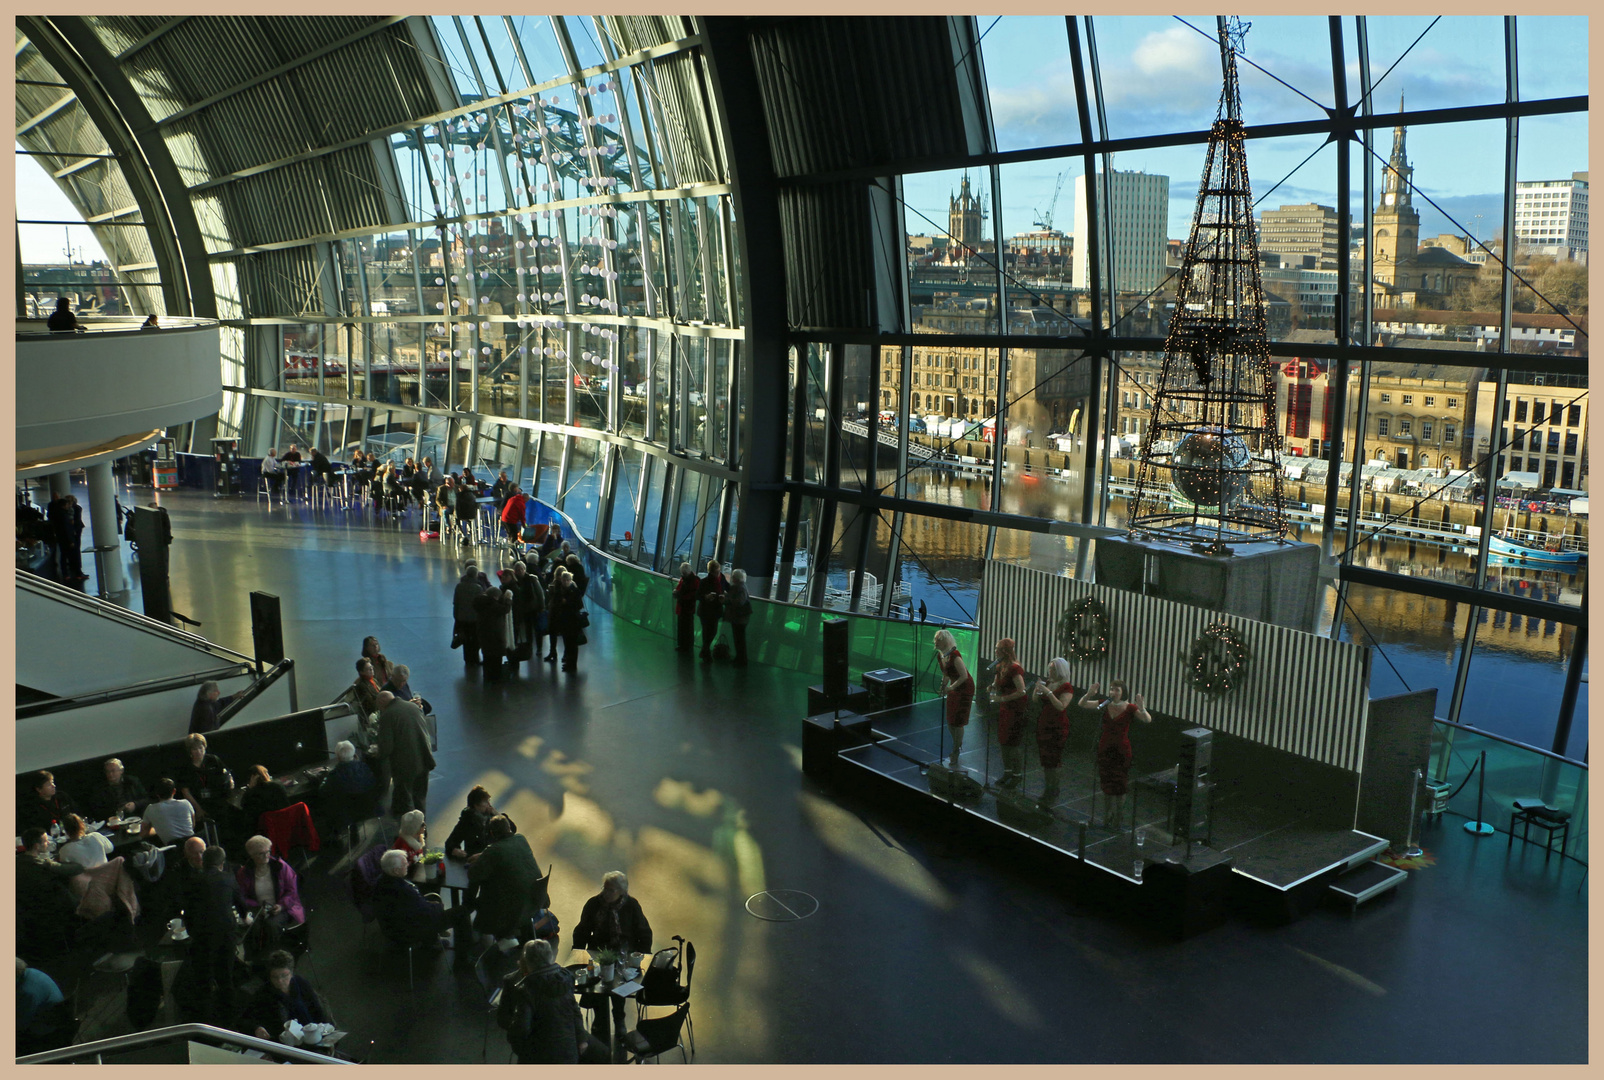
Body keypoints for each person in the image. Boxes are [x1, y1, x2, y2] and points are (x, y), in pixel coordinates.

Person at [498, 938, 605, 1064]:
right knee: (604, 1055)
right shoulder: (564, 979)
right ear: (550, 958)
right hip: (566, 1047)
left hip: (542, 1050)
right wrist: (581, 1039)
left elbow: (519, 1028)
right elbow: (575, 1011)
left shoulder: (525, 988)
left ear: (526, 961)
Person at [178, 845, 244, 1016]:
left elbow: (186, 912)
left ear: (203, 863)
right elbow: (241, 906)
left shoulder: (192, 882)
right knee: (226, 976)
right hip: (225, 934)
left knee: (204, 977)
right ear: (222, 864)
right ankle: (230, 1017)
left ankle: (206, 1017)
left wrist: (193, 933)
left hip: (201, 937)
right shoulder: (229, 879)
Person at [1077, 680, 1153, 828]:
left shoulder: (1130, 708)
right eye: (1111, 689)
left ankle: (1119, 815)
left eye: (1116, 690)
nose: (1113, 693)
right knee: (1106, 781)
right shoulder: (1105, 703)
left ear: (1123, 692)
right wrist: (1089, 694)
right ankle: (1107, 813)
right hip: (1105, 747)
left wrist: (1142, 708)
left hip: (1121, 750)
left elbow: (1147, 719)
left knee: (1120, 783)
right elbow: (1082, 704)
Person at [372, 848, 470, 948]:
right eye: (404, 864)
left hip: (392, 926)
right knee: (461, 911)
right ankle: (464, 952)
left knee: (432, 896)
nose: (408, 865)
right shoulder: (404, 891)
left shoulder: (381, 881)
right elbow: (426, 913)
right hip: (408, 930)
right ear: (396, 871)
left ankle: (432, 940)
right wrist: (439, 907)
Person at [467, 814, 542, 942]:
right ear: (509, 828)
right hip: (536, 899)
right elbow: (506, 852)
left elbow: (474, 875)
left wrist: (482, 856)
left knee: (478, 899)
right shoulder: (521, 839)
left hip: (510, 907)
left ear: (491, 833)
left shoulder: (494, 850)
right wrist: (485, 854)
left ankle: (478, 947)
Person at [235, 835, 305, 959]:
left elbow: (292, 891)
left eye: (268, 851)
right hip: (258, 909)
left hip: (284, 907)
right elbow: (241, 896)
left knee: (271, 926)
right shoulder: (244, 873)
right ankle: (255, 959)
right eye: (261, 854)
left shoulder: (280, 866)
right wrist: (258, 908)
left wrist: (281, 905)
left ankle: (275, 957)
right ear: (252, 856)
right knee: (252, 928)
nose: (267, 855)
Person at [16, 829, 84, 956]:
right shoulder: (43, 865)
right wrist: (58, 863)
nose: (48, 843)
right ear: (37, 846)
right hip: (50, 907)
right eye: (46, 841)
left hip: (26, 910)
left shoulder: (17, 862)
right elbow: (77, 868)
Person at [246, 950, 330, 1043]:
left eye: (284, 976)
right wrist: (257, 1028)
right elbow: (248, 1018)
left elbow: (318, 1011)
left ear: (291, 973)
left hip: (311, 1037)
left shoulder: (301, 984)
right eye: (275, 977)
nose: (280, 981)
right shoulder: (263, 993)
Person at [376, 691, 435, 818]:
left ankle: (410, 828)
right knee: (420, 797)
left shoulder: (388, 715)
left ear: (382, 703)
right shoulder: (413, 706)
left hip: (406, 764)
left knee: (406, 797)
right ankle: (421, 825)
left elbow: (386, 747)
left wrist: (378, 753)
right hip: (424, 757)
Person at [1032, 658, 1078, 807]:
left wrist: (1049, 692)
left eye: (1053, 669)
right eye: (1049, 668)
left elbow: (1061, 706)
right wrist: (1037, 689)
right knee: (1045, 759)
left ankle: (1054, 788)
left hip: (1057, 726)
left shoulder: (1066, 687)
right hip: (1044, 723)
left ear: (1060, 671)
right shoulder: (1049, 682)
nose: (1050, 671)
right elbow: (1035, 700)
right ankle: (1048, 786)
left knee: (1054, 759)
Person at [572, 870, 652, 955]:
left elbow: (644, 932)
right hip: (598, 951)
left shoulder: (631, 905)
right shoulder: (594, 904)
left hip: (626, 952)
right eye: (605, 889)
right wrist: (578, 954)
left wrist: (642, 955)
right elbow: (582, 931)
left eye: (611, 890)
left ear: (622, 891)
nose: (606, 893)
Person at [319, 741, 378, 847]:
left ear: (338, 757)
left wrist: (323, 779)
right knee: (352, 800)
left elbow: (322, 791)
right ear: (354, 754)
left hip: (347, 814)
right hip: (369, 809)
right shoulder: (365, 768)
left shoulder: (334, 775)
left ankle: (334, 835)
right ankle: (353, 830)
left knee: (330, 804)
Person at [988, 638, 1028, 789]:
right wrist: (991, 687)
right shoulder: (999, 666)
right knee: (1003, 740)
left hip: (1015, 709)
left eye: (997, 648)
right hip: (1005, 707)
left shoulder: (1014, 668)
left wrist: (1001, 698)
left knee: (1013, 742)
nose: (995, 651)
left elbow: (1022, 691)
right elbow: (996, 682)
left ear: (1005, 651)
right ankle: (1007, 771)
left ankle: (1017, 774)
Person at [175, 733, 234, 831]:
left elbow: (227, 774)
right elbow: (186, 791)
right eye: (195, 749)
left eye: (200, 748)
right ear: (190, 751)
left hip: (219, 801)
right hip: (200, 804)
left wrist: (230, 784)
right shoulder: (186, 768)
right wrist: (198, 809)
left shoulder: (213, 760)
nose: (198, 751)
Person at [934, 629, 975, 771]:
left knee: (958, 721)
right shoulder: (941, 656)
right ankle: (957, 744)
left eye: (938, 639)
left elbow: (964, 676)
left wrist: (951, 688)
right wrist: (943, 686)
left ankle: (956, 749)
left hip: (964, 689)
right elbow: (946, 674)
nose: (935, 642)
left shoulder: (955, 656)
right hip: (953, 687)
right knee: (951, 721)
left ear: (945, 641)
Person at [445, 786, 499, 861]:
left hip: (493, 858)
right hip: (474, 861)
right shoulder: (467, 820)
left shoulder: (493, 817)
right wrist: (454, 850)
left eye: (488, 800)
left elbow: (510, 831)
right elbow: (451, 841)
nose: (489, 804)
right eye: (485, 802)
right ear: (476, 805)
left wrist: (498, 815)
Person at [475, 581, 513, 680]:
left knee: (487, 656)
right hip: (495, 635)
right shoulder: (492, 605)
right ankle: (496, 677)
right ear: (495, 597)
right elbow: (505, 609)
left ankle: (487, 676)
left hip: (483, 633)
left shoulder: (480, 603)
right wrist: (508, 599)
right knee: (496, 657)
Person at [547, 569, 584, 672]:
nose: (566, 582)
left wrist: (566, 602)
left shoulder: (574, 591)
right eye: (564, 580)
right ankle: (569, 663)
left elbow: (579, 605)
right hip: (564, 621)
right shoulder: (560, 591)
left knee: (572, 644)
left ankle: (572, 664)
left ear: (570, 580)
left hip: (572, 621)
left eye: (568, 580)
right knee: (567, 643)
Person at [511, 560, 546, 667]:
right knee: (527, 629)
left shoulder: (532, 579)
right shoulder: (515, 581)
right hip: (524, 610)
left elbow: (540, 594)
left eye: (521, 569)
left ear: (524, 569)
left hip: (533, 608)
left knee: (537, 628)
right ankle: (529, 647)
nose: (520, 571)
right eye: (518, 569)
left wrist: (541, 607)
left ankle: (539, 647)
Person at [17, 770, 75, 834]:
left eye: (52, 782)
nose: (53, 786)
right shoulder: (31, 807)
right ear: (39, 789)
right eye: (48, 784)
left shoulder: (62, 797)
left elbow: (77, 813)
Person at [144, 778, 196, 844]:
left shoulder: (150, 809)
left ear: (157, 794)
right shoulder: (186, 803)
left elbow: (144, 832)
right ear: (174, 791)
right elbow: (192, 825)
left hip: (172, 850)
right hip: (193, 843)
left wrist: (158, 828)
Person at [47, 493, 85, 581]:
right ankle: (75, 572)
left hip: (62, 537)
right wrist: (71, 540)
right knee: (71, 554)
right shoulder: (65, 515)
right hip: (68, 538)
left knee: (64, 555)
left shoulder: (58, 513)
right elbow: (67, 528)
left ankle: (68, 573)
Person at [240, 765, 291, 830]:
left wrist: (250, 787)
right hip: (286, 823)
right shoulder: (277, 785)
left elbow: (243, 805)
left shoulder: (250, 794)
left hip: (267, 829)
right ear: (265, 774)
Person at [389, 808, 433, 881]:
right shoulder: (404, 846)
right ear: (414, 828)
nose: (424, 825)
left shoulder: (417, 838)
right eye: (421, 824)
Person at [696, 558, 725, 661]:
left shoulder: (704, 581)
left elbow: (698, 595)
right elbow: (698, 595)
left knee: (708, 632)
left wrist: (706, 597)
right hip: (711, 611)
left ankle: (705, 651)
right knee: (710, 632)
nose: (719, 573)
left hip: (706, 611)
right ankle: (705, 652)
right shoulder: (719, 581)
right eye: (717, 571)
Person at [453, 564, 482, 666]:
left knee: (465, 639)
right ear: (476, 575)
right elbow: (480, 605)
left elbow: (455, 602)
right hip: (474, 618)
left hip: (461, 617)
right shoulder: (478, 588)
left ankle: (467, 659)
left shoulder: (459, 586)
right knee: (474, 640)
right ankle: (475, 659)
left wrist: (456, 616)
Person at [724, 568, 753, 667]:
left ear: (735, 578)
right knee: (739, 639)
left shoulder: (739, 588)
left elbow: (739, 602)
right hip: (741, 618)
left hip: (739, 618)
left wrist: (727, 599)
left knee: (739, 640)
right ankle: (740, 659)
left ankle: (741, 660)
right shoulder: (741, 587)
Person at [672, 562, 698, 653]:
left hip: (686, 607)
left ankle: (685, 645)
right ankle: (684, 645)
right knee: (684, 627)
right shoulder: (692, 579)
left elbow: (692, 595)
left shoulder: (688, 580)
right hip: (686, 607)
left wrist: (678, 594)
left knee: (686, 628)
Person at [455, 476, 481, 543]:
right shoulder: (472, 495)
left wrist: (456, 515)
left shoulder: (459, 495)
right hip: (472, 515)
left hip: (462, 515)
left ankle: (462, 533)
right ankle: (472, 531)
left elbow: (457, 507)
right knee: (469, 520)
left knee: (456, 519)